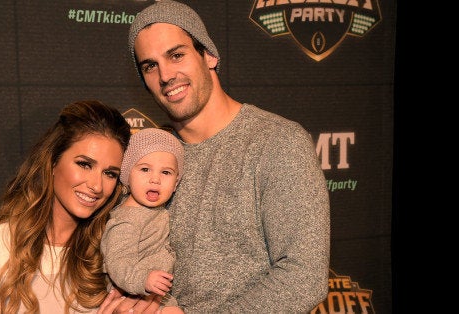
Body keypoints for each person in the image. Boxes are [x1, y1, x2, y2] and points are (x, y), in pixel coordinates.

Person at [112, 0, 332, 312]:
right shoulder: (153, 156)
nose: (165, 75)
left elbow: (303, 277)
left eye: (176, 55)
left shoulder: (277, 142)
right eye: (150, 66)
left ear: (210, 55)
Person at [0, 100, 132, 314]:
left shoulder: (117, 253)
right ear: (52, 162)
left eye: (110, 173)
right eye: (85, 164)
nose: (96, 185)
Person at [100, 128, 185, 314]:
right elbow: (117, 262)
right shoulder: (126, 220)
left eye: (166, 172)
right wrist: (144, 280)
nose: (155, 179)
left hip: (157, 294)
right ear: (127, 175)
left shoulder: (154, 210)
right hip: (132, 294)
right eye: (145, 169)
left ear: (176, 183)